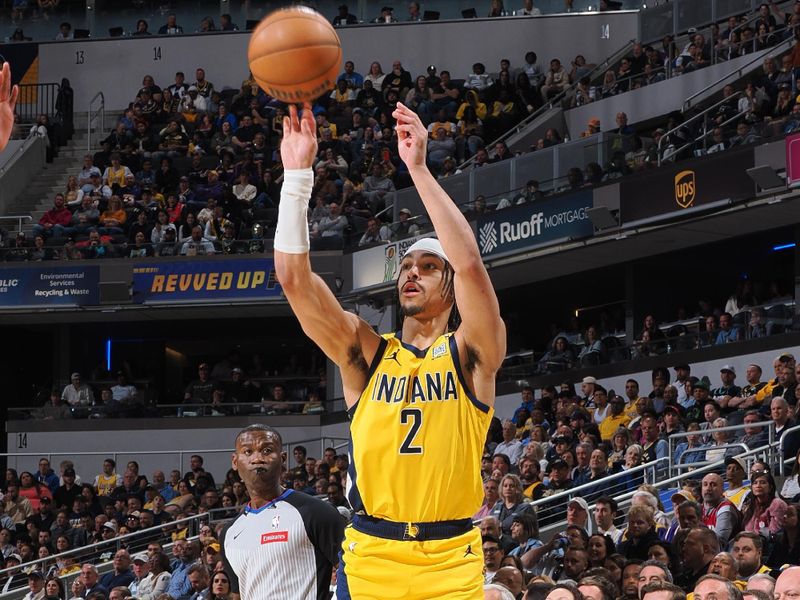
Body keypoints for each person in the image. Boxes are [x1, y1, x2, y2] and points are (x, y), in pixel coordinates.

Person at [274, 101, 505, 599]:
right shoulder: (365, 352)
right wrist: (297, 178)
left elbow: (470, 266)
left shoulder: (471, 353)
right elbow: (293, 280)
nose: (411, 273)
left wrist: (418, 169)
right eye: (405, 267)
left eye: (427, 266)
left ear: (448, 284)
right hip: (371, 554)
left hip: (450, 556)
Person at [219, 425, 343, 599]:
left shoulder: (316, 512)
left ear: (283, 458)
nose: (257, 458)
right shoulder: (229, 533)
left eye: (267, 450)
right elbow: (237, 595)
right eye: (248, 452)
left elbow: (351, 571)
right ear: (235, 461)